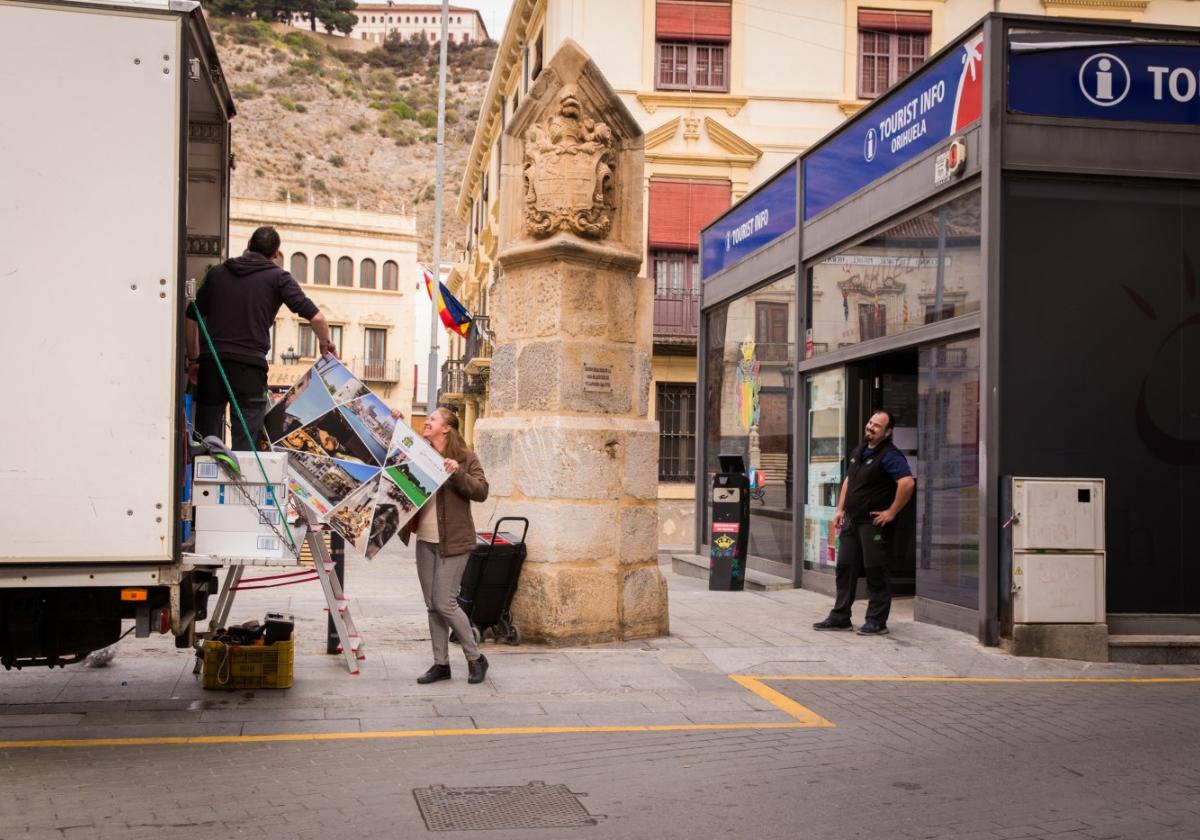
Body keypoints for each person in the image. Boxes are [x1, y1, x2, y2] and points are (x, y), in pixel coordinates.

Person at [186, 226, 336, 451]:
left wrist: (194, 360)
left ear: (248, 243)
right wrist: (326, 344)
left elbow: (191, 316)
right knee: (246, 444)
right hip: (249, 369)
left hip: (212, 365)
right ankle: (240, 485)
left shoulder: (217, 273)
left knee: (206, 442)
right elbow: (317, 318)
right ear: (276, 253)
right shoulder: (278, 278)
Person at [401, 407, 491, 685]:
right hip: (424, 540)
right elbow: (395, 449)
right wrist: (394, 420)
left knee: (445, 602)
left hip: (455, 541)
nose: (427, 422)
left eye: (433, 419)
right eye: (426, 419)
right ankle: (441, 664)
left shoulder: (465, 457)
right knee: (432, 605)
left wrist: (456, 473)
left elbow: (481, 491)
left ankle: (475, 658)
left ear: (446, 428)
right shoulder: (420, 454)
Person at [813, 409, 915, 636]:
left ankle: (877, 620)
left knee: (875, 569)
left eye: (877, 425)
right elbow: (850, 479)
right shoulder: (860, 449)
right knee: (845, 567)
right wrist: (840, 509)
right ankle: (841, 617)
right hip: (852, 520)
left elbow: (907, 483)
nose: (870, 427)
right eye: (870, 422)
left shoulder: (890, 455)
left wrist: (891, 512)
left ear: (888, 432)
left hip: (874, 524)